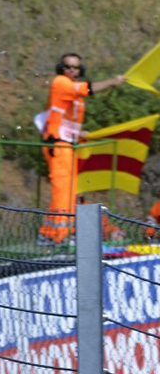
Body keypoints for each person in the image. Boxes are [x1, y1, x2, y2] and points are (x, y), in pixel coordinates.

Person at [36, 53, 125, 245]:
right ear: (61, 68)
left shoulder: (71, 90)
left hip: (68, 144)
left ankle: (50, 233)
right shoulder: (61, 82)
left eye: (75, 68)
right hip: (58, 144)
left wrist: (79, 133)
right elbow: (86, 89)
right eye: (68, 67)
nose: (71, 71)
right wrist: (112, 82)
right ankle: (58, 237)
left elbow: (64, 117)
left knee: (70, 191)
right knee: (64, 193)